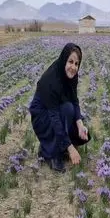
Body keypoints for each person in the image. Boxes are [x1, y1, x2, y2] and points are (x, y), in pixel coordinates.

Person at [29, 42, 91, 172]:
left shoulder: (72, 76)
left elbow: (74, 100)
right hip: (42, 116)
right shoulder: (50, 80)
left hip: (56, 109)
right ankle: (51, 155)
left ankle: (53, 146)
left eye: (76, 64)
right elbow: (55, 118)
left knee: (69, 108)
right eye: (70, 62)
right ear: (64, 60)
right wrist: (70, 147)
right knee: (66, 110)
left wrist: (80, 125)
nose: (73, 67)